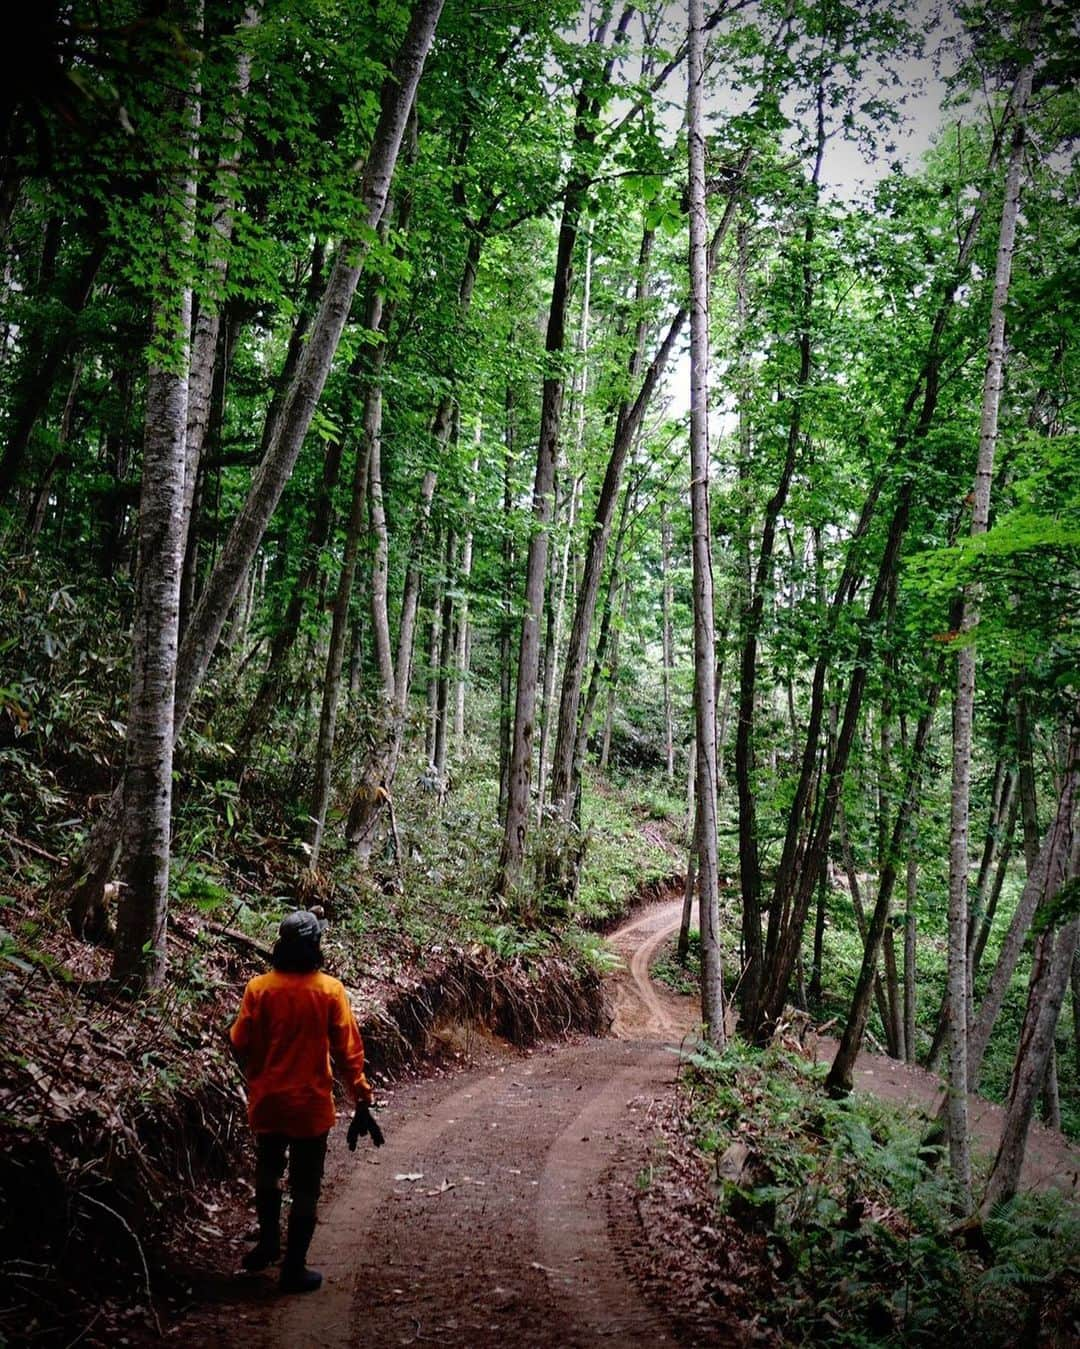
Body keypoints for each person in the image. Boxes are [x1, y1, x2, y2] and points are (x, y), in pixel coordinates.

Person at [230, 909, 375, 1293]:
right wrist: (361, 1092)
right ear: (315, 946)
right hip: (310, 1104)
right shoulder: (329, 991)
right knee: (306, 1185)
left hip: (269, 1101)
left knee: (268, 1170)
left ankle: (267, 1243)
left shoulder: (259, 988)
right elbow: (348, 1052)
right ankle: (293, 1267)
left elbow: (239, 1041)